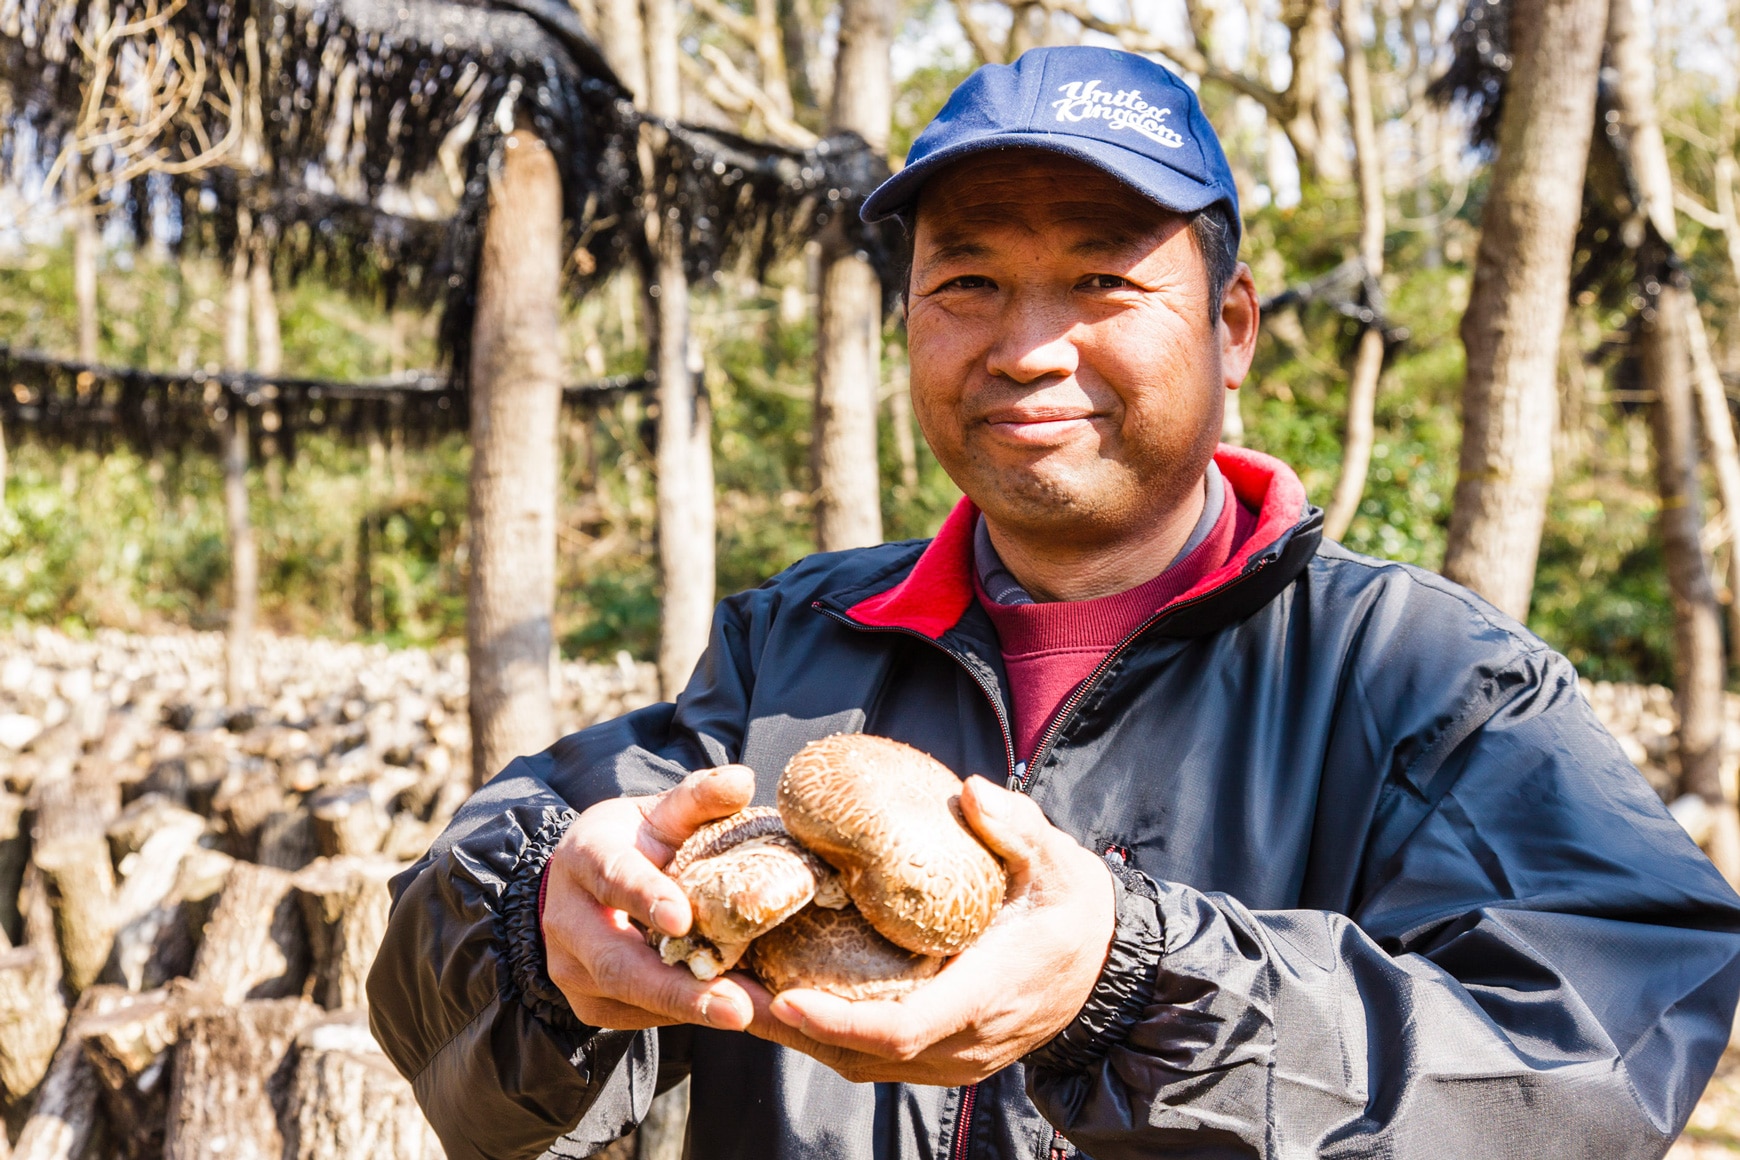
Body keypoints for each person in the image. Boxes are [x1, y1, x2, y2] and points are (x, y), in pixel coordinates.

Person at [368, 45, 1740, 1160]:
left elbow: (1605, 1050)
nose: (1028, 349)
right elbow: (443, 989)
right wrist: (542, 936)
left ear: (1234, 326)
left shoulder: (1424, 678)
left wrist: (1137, 982)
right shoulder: (793, 650)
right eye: (966, 282)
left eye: (1103, 280)